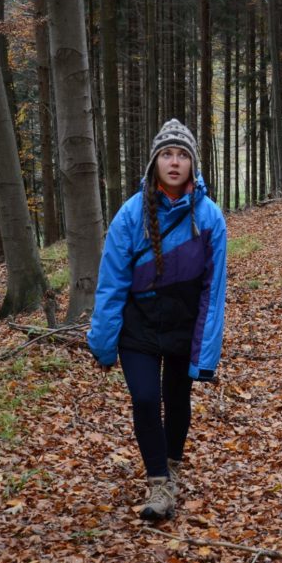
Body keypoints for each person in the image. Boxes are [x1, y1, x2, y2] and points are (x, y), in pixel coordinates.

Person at [87, 119, 227, 521]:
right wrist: (103, 341)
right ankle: (158, 481)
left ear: (193, 165)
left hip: (183, 326)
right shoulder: (131, 216)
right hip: (139, 328)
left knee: (177, 399)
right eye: (167, 153)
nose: (174, 161)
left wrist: (206, 353)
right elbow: (111, 283)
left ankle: (172, 465)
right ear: (154, 162)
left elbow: (213, 292)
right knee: (146, 399)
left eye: (182, 154)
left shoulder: (210, 218)